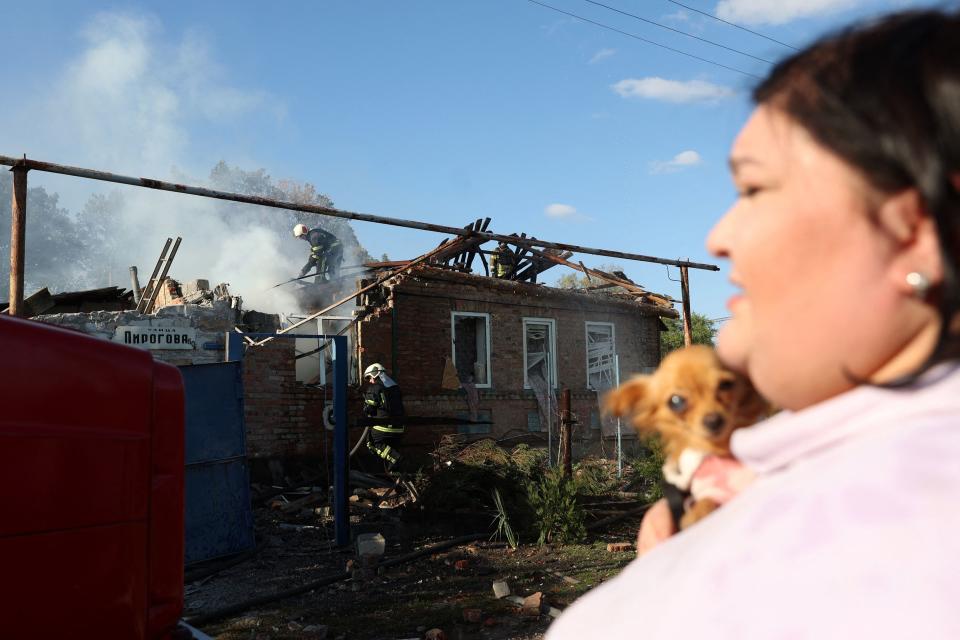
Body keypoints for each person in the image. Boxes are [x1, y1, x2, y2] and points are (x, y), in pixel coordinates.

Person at [548, 9, 960, 639]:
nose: (718, 237)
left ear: (916, 233)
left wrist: (680, 591)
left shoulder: (879, 537)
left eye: (755, 190)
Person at [362, 363, 406, 470]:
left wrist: (365, 405)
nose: (369, 381)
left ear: (374, 373)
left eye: (369, 378)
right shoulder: (395, 387)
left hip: (384, 426)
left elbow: (369, 409)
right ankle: (394, 475)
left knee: (371, 443)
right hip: (400, 427)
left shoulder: (375, 387)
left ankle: (396, 458)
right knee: (389, 451)